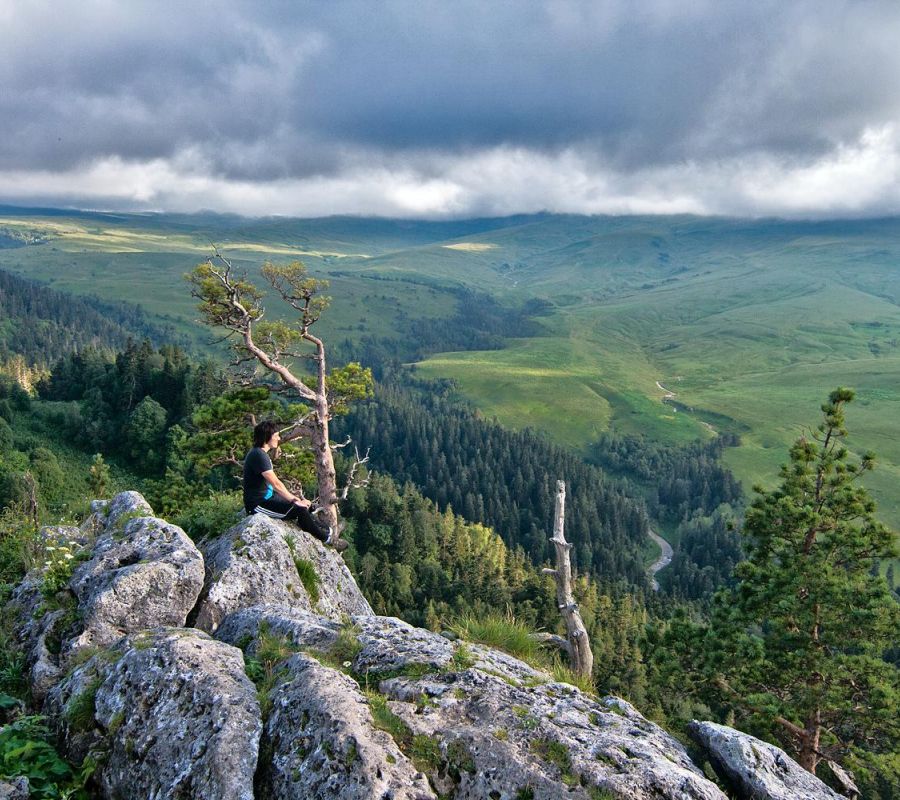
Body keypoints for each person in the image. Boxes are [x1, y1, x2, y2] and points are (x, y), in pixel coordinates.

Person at [243, 420, 348, 552]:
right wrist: (294, 500)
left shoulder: (260, 453)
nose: (279, 438)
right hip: (258, 505)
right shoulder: (258, 455)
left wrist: (296, 500)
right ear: (267, 437)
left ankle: (330, 530)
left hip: (268, 498)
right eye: (276, 435)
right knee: (299, 509)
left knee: (308, 506)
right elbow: (276, 484)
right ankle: (328, 539)